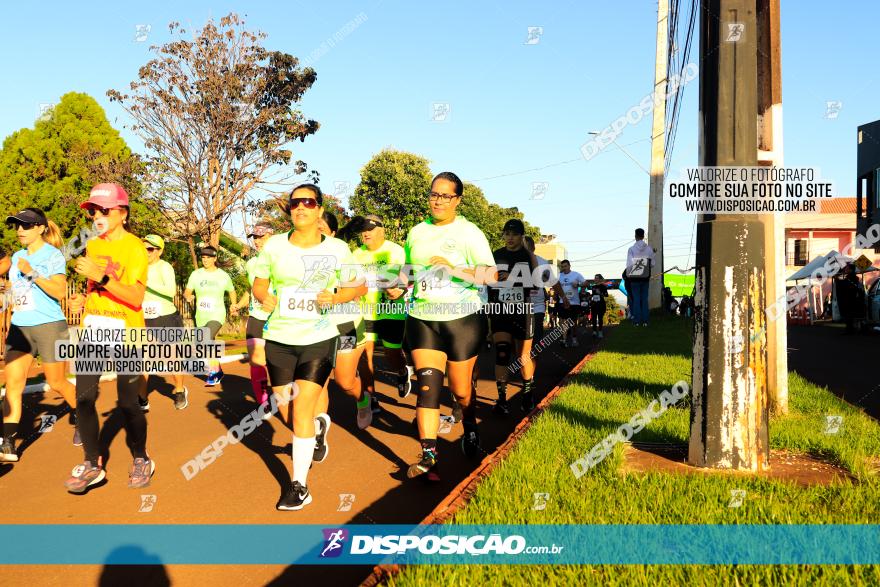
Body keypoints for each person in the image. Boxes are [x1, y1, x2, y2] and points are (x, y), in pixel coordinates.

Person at [251, 183, 367, 510]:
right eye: (295, 203)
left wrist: (337, 296)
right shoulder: (273, 246)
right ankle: (316, 429)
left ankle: (299, 485)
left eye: (308, 202)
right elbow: (260, 285)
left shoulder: (338, 249)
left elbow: (358, 286)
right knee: (286, 410)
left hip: (319, 336)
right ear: (289, 210)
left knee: (302, 407)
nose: (301, 207)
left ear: (319, 210)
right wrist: (265, 296)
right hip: (279, 338)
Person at [394, 171, 497, 480]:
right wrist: (399, 284)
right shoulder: (417, 232)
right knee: (427, 388)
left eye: (445, 196)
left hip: (462, 319)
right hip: (423, 318)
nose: (438, 200)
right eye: (433, 194)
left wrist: (453, 269)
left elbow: (492, 276)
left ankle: (470, 426)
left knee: (462, 390)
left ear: (457, 200)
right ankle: (428, 457)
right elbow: (408, 269)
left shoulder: (470, 233)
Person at [64, 183, 154, 493]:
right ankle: (92, 462)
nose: (97, 215)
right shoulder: (93, 244)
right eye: (93, 210)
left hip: (127, 332)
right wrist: (81, 301)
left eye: (104, 210)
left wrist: (101, 276)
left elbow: (135, 296)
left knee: (128, 403)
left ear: (123, 213)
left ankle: (141, 457)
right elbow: (94, 290)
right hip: (94, 330)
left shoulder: (135, 248)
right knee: (84, 398)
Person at [0, 208, 79, 463]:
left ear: (41, 228)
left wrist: (31, 271)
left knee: (56, 383)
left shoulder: (53, 255)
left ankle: (82, 412)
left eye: (26, 226)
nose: (20, 230)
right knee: (13, 384)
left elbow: (59, 292)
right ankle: (8, 443)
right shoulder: (16, 257)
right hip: (20, 327)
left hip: (49, 326)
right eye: (17, 226)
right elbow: (18, 292)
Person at [346, 214, 413, 403]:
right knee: (365, 355)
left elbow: (409, 274)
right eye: (363, 230)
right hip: (365, 311)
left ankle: (402, 371)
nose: (366, 234)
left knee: (392, 354)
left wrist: (400, 288)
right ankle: (371, 397)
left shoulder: (397, 251)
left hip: (390, 310)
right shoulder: (356, 254)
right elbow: (351, 281)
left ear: (381, 230)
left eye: (370, 229)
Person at [489, 220, 541, 415]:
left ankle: (527, 391)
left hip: (522, 311)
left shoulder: (527, 256)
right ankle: (502, 400)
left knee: (522, 356)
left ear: (521, 236)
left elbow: (535, 284)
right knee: (502, 352)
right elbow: (487, 279)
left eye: (514, 234)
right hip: (500, 309)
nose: (509, 237)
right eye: (506, 233)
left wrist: (511, 277)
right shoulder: (496, 254)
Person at [141, 234, 189, 410]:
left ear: (159, 251)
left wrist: (146, 283)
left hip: (166, 318)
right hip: (145, 319)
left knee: (172, 358)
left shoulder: (164, 267)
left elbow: (171, 291)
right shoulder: (139, 267)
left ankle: (179, 390)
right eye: (144, 248)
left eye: (150, 249)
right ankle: (142, 398)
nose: (146, 252)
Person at [184, 246, 239, 386]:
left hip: (217, 314)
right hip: (201, 316)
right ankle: (218, 370)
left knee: (206, 337)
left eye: (208, 257)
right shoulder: (196, 274)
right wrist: (188, 296)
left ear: (215, 258)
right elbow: (187, 291)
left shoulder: (223, 275)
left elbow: (232, 291)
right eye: (203, 257)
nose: (205, 260)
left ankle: (213, 373)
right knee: (206, 343)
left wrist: (234, 305)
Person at [242, 223, 274, 408]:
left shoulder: (281, 259)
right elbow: (251, 290)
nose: (257, 241)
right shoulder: (251, 264)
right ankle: (263, 401)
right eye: (254, 237)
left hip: (277, 319)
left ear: (272, 236)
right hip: (256, 317)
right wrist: (239, 304)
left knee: (277, 361)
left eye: (261, 237)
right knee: (256, 360)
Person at [524, 236, 552, 343]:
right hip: (521, 302)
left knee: (537, 329)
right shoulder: (514, 261)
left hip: (538, 303)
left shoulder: (543, 262)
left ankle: (535, 355)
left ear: (533, 248)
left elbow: (549, 280)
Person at [626, 228, 656, 327]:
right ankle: (645, 321)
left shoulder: (631, 249)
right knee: (644, 298)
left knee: (636, 299)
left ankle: (637, 321)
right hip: (645, 277)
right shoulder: (649, 249)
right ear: (643, 236)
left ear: (635, 236)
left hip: (634, 277)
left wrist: (628, 275)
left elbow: (629, 265)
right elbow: (653, 264)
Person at [557, 260, 581, 347]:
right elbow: (555, 286)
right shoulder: (559, 276)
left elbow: (585, 283)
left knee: (573, 322)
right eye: (562, 266)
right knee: (563, 321)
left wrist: (578, 285)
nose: (564, 268)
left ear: (569, 266)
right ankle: (564, 340)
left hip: (574, 302)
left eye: (565, 266)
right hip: (562, 301)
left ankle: (574, 338)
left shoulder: (576, 274)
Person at [589, 274, 609, 339]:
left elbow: (606, 295)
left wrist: (600, 293)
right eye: (595, 278)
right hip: (594, 304)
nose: (595, 279)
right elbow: (594, 295)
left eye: (597, 278)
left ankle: (600, 331)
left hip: (601, 304)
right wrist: (591, 296)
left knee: (600, 318)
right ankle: (594, 331)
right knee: (594, 318)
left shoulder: (603, 286)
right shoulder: (593, 287)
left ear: (600, 279)